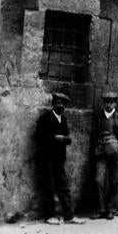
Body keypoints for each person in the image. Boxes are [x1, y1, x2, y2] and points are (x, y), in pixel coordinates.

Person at [36, 92, 85, 225]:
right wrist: (54, 138)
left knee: (63, 187)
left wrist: (66, 139)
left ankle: (68, 216)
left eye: (63, 104)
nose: (61, 105)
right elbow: (39, 137)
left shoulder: (63, 120)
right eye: (58, 103)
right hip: (46, 159)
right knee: (49, 187)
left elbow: (66, 136)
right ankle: (49, 215)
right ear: (53, 104)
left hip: (59, 159)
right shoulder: (45, 118)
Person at [92, 90, 118, 219]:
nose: (108, 105)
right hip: (100, 150)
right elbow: (95, 133)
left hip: (114, 151)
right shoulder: (99, 116)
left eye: (111, 102)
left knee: (113, 180)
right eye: (106, 102)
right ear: (103, 103)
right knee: (98, 179)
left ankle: (112, 209)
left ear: (115, 104)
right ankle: (101, 209)